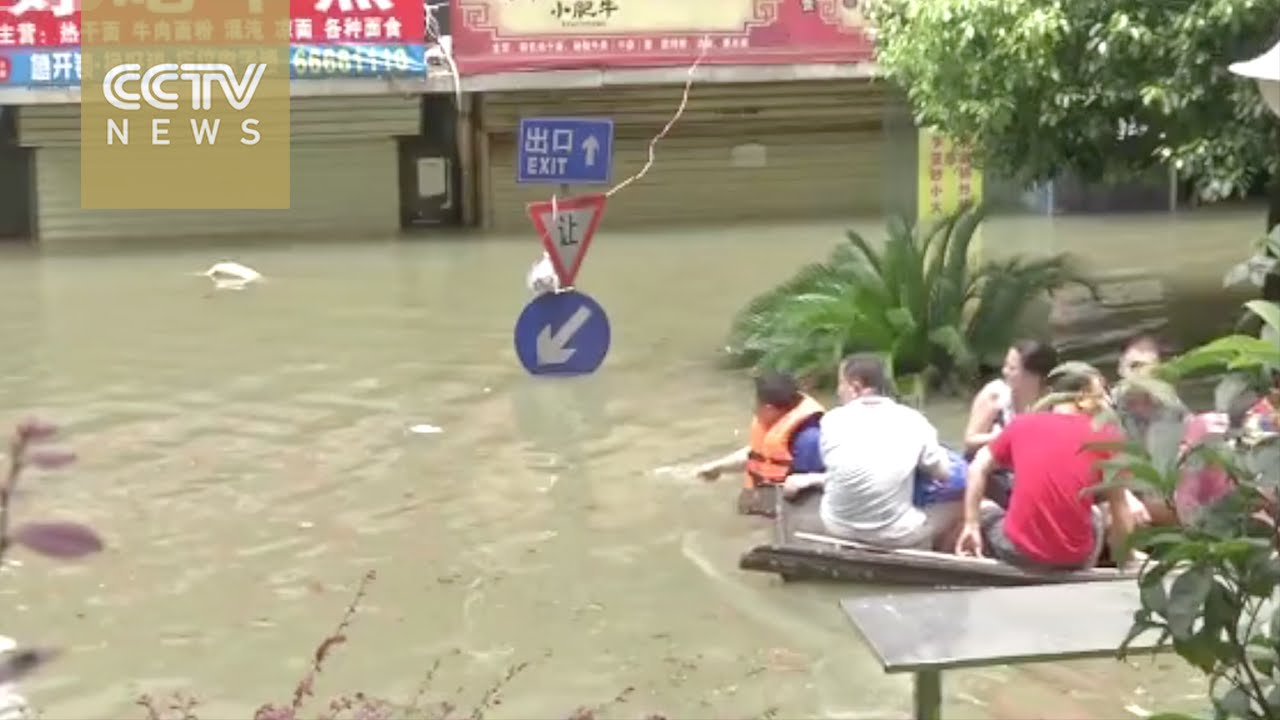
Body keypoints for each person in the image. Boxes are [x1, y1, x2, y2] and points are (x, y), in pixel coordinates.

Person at [957, 364, 1140, 571]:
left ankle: (970, 550)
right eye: (1102, 394)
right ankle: (1088, 571)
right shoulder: (1108, 437)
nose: (1107, 401)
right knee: (1096, 515)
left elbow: (977, 467)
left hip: (1019, 554)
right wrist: (1128, 562)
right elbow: (1120, 508)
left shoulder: (1022, 424)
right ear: (1082, 398)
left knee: (985, 508)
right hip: (1076, 559)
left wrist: (970, 523)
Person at [782, 354, 959, 550]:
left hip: (837, 526)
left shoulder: (831, 421)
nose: (838, 391)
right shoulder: (914, 420)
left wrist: (812, 479)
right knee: (964, 503)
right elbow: (943, 474)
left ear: (855, 387)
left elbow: (841, 470)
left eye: (840, 384)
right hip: (895, 535)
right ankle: (947, 554)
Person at [696, 371, 825, 516]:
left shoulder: (809, 440)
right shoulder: (779, 419)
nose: (755, 409)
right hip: (768, 503)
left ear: (769, 408)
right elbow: (760, 456)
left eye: (757, 403)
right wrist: (718, 467)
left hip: (790, 515)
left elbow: (813, 496)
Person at [962, 339, 1060, 456]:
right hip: (993, 465)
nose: (1004, 372)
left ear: (1035, 376)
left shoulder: (1055, 403)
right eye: (1005, 365)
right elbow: (970, 441)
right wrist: (1004, 436)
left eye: (1012, 368)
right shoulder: (995, 395)